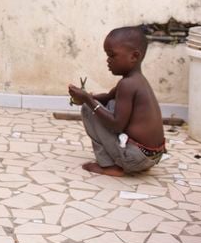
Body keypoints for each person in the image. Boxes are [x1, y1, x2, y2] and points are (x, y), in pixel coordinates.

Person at [68, 27, 166, 177]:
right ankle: (133, 162)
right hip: (152, 156)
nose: (108, 60)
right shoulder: (137, 80)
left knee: (89, 110)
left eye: (112, 55)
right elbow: (107, 97)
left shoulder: (128, 85)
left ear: (134, 56)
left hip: (135, 158)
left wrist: (87, 100)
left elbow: (116, 124)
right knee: (110, 105)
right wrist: (84, 96)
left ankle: (109, 165)